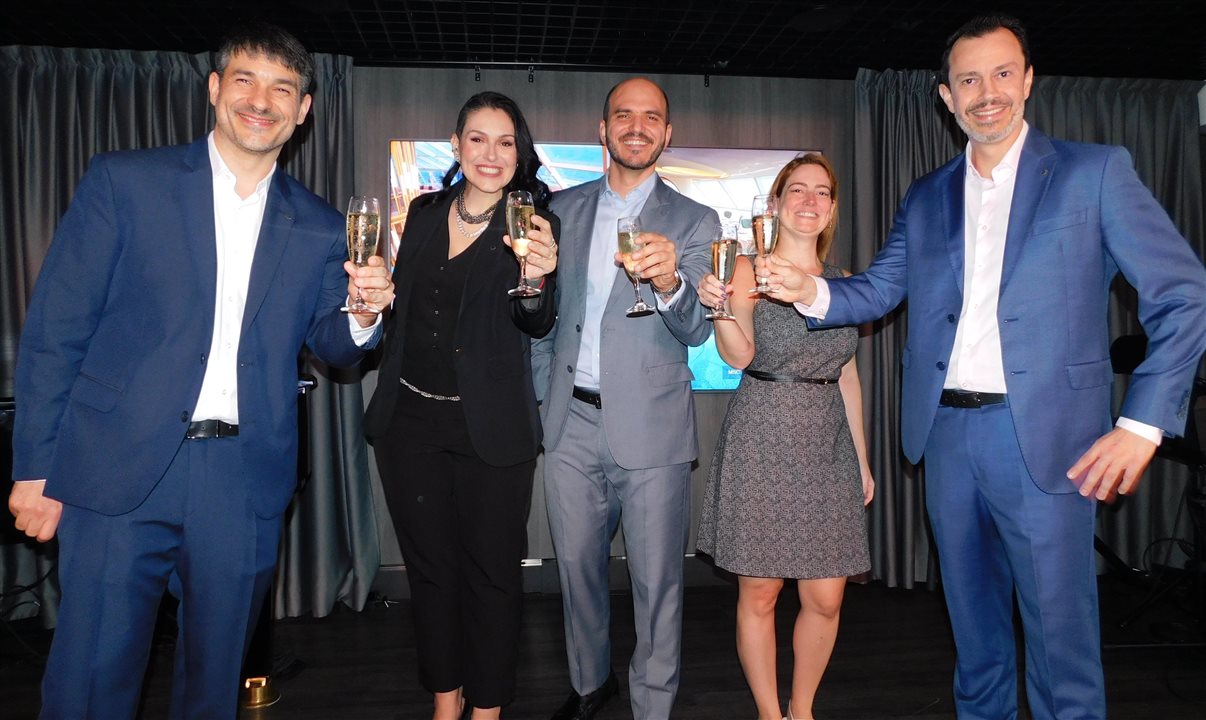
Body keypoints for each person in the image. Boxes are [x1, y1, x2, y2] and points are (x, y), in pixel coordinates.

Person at [757, 14, 1206, 720]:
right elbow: (877, 290)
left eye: (1002, 74)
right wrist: (802, 287)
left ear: (1028, 81)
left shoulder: (1096, 172)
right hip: (946, 440)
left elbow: (1183, 297)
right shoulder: (928, 194)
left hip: (1053, 441)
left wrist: (1142, 423)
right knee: (976, 638)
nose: (986, 92)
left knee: (1061, 645)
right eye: (969, 79)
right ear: (946, 97)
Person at [6, 23, 394, 719]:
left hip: (242, 482)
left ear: (304, 110)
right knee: (90, 681)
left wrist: (365, 315)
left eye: (283, 88)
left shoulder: (318, 225)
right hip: (113, 474)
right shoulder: (125, 184)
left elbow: (335, 347)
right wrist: (35, 467)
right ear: (215, 89)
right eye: (244, 79)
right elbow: (54, 336)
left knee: (215, 688)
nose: (261, 100)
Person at [363, 91, 559, 720]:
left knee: (493, 577)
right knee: (431, 573)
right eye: (478, 139)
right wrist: (372, 301)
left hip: (491, 431)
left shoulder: (532, 221)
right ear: (455, 145)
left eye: (506, 142)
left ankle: (488, 709)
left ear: (519, 152)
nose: (491, 154)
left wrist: (537, 280)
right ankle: (446, 702)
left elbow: (536, 319)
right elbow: (403, 309)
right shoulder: (421, 212)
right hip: (411, 423)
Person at [531, 77, 719, 720]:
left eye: (651, 118)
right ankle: (590, 684)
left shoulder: (697, 221)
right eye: (623, 116)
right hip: (570, 424)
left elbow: (696, 329)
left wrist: (670, 282)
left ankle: (653, 704)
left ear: (667, 134)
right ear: (602, 129)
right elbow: (544, 319)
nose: (636, 127)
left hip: (655, 430)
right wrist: (539, 404)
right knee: (577, 572)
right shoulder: (559, 207)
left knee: (657, 583)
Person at [696, 153, 874, 720]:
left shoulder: (846, 283)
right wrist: (722, 309)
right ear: (775, 204)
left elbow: (847, 374)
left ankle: (804, 709)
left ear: (832, 208)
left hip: (828, 447)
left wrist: (863, 462)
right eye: (796, 190)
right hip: (763, 435)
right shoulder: (747, 268)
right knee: (761, 592)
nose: (809, 201)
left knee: (826, 598)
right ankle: (771, 714)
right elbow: (739, 354)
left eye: (821, 192)